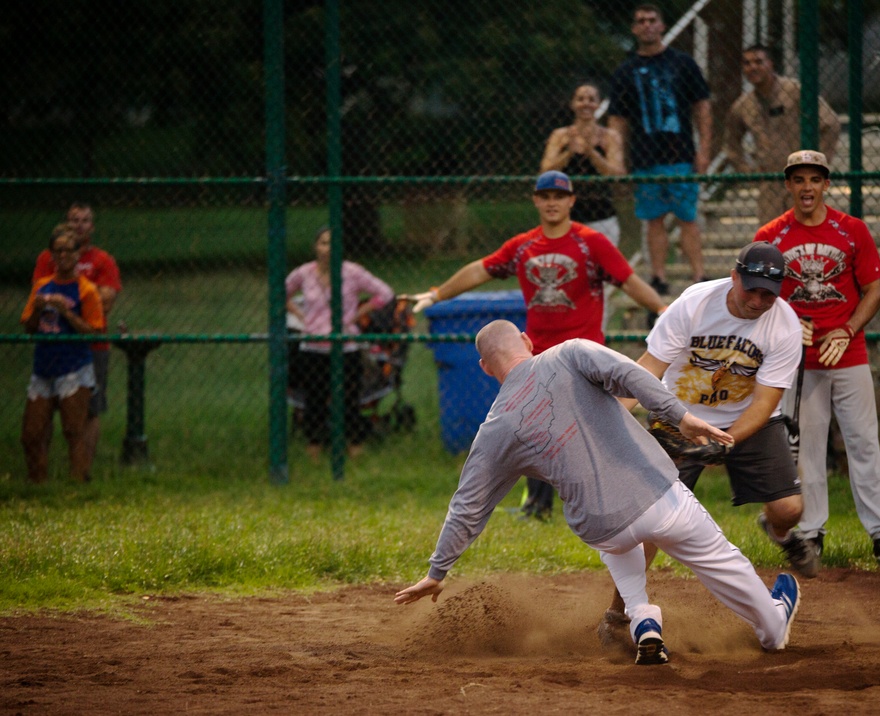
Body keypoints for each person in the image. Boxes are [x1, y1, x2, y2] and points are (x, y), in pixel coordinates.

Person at [394, 319, 801, 665]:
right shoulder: (568, 353)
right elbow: (632, 375)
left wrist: (437, 571)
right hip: (658, 498)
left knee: (621, 550)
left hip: (601, 526)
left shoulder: (495, 428)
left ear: (485, 368)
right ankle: (771, 625)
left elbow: (468, 506)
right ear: (527, 340)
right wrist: (682, 417)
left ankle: (643, 618)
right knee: (721, 562)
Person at [408, 170, 666, 518]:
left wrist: (662, 309)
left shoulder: (591, 242)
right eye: (545, 196)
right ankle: (537, 505)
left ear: (571, 200)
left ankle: (625, 495)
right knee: (538, 427)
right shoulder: (524, 246)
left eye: (559, 196)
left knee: (596, 428)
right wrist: (438, 293)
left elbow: (628, 281)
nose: (552, 203)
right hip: (537, 356)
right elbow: (480, 269)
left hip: (582, 353)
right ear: (535, 200)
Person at [599, 242, 815, 631]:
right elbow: (648, 370)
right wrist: (604, 416)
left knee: (790, 511)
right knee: (653, 522)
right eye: (751, 288)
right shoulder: (694, 304)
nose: (758, 300)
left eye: (769, 293)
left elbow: (764, 403)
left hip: (748, 421)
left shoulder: (783, 324)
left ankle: (779, 533)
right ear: (734, 278)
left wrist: (723, 440)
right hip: (679, 418)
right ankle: (619, 615)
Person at [755, 150, 880, 569]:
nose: (807, 187)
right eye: (798, 179)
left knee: (862, 441)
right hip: (798, 360)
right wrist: (787, 322)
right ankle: (810, 533)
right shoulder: (772, 235)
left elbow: (874, 290)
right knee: (806, 447)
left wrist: (847, 329)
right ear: (788, 186)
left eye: (814, 179)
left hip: (848, 353)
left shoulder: (851, 230)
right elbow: (758, 295)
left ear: (826, 184)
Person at [607, 3, 712, 302]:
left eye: (652, 20)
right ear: (634, 28)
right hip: (644, 158)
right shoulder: (625, 71)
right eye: (640, 21)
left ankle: (698, 275)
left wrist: (704, 149)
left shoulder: (683, 63)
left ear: (662, 25)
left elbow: (702, 107)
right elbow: (618, 119)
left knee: (686, 217)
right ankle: (658, 276)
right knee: (653, 219)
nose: (647, 25)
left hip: (680, 155)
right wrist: (617, 159)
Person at [285, 226, 394, 461]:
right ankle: (314, 447)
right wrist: (303, 318)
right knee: (314, 399)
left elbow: (384, 293)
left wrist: (355, 316)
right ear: (316, 246)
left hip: (346, 346)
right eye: (323, 243)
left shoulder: (352, 272)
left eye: (333, 243)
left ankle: (354, 447)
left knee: (349, 399)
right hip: (313, 346)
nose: (328, 248)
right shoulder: (304, 273)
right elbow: (280, 294)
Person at [32, 203, 121, 479]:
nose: (79, 225)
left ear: (91, 227)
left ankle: (81, 473)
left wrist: (68, 295)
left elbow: (105, 301)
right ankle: (39, 473)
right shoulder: (46, 259)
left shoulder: (103, 261)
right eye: (74, 220)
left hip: (91, 346)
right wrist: (80, 297)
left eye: (85, 221)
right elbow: (38, 296)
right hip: (52, 345)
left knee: (89, 411)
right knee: (44, 410)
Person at [21, 225, 105, 483]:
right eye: (58, 251)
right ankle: (38, 483)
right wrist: (37, 309)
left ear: (78, 255)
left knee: (73, 430)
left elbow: (93, 332)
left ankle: (78, 483)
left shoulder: (86, 290)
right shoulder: (42, 286)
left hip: (74, 368)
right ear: (51, 255)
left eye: (69, 250)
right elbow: (29, 327)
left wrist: (66, 312)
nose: (64, 255)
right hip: (44, 368)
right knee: (31, 434)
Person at [541, 81, 627, 332]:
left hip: (602, 218)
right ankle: (565, 332)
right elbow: (545, 171)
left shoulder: (609, 136)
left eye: (591, 99)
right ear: (573, 104)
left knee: (600, 280)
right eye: (580, 98)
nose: (586, 103)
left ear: (598, 104)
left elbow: (617, 174)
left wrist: (591, 152)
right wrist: (569, 151)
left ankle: (596, 333)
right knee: (566, 279)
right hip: (566, 222)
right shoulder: (561, 136)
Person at [723, 45, 841, 227]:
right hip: (770, 183)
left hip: (801, 180)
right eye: (747, 63)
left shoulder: (794, 91)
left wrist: (817, 165)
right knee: (771, 239)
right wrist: (748, 172)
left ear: (770, 64)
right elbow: (731, 144)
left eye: (758, 62)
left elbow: (830, 123)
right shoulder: (743, 106)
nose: (752, 67)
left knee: (807, 234)